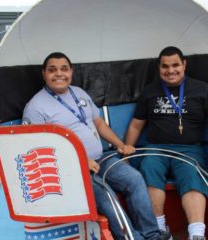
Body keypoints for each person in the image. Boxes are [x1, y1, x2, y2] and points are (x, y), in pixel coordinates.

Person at [22, 52, 170, 240]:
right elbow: (41, 150)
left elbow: (98, 123)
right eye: (52, 70)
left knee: (134, 178)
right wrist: (81, 161)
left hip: (102, 159)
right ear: (44, 74)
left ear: (71, 72)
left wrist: (121, 145)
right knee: (107, 196)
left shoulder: (79, 92)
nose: (59, 74)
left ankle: (152, 236)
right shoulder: (35, 107)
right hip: (71, 170)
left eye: (64, 69)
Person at [125, 46, 208, 240]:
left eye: (175, 65)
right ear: (159, 68)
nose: (170, 70)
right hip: (156, 148)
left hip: (189, 150)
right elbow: (136, 125)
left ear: (184, 65)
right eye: (165, 66)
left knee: (192, 176)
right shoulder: (150, 91)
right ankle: (158, 230)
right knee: (149, 168)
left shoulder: (201, 88)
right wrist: (126, 154)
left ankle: (197, 234)